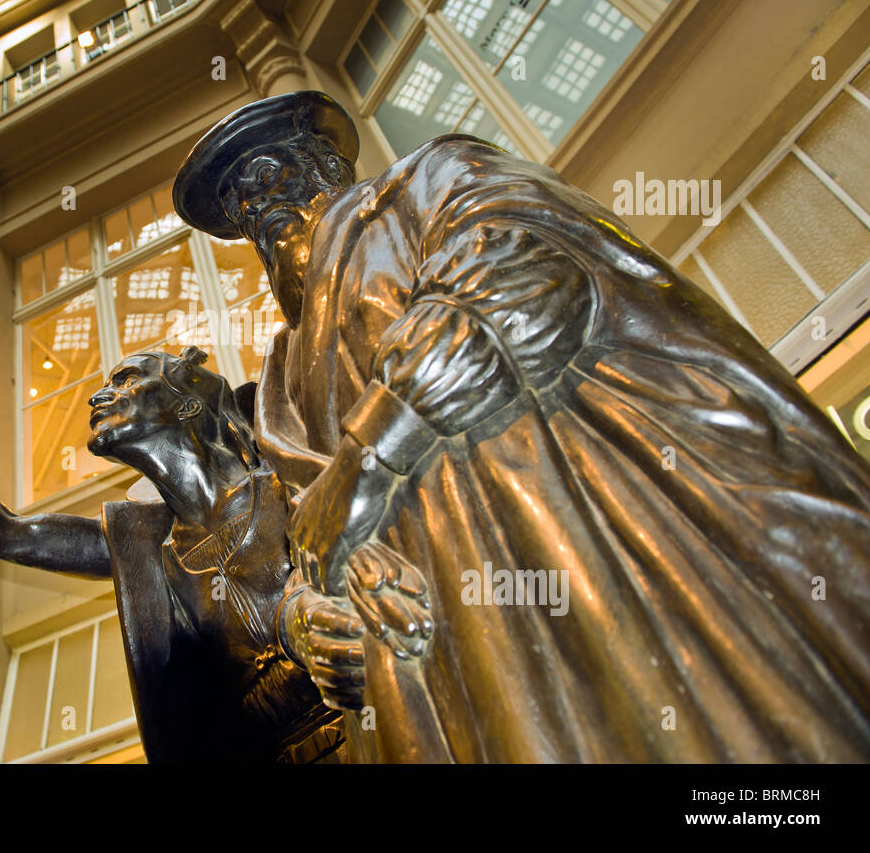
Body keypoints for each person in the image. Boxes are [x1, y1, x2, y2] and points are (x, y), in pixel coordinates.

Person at [171, 90, 870, 762]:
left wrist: (371, 457)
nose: (256, 202)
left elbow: (522, 266)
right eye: (238, 200)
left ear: (326, 165)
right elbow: (304, 520)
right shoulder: (283, 369)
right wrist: (302, 619)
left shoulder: (431, 180)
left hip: (574, 540)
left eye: (267, 173)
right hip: (438, 663)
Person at [0, 314, 425, 762]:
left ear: (187, 406)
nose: (99, 393)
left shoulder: (283, 477)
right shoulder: (142, 544)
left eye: (127, 378)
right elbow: (6, 534)